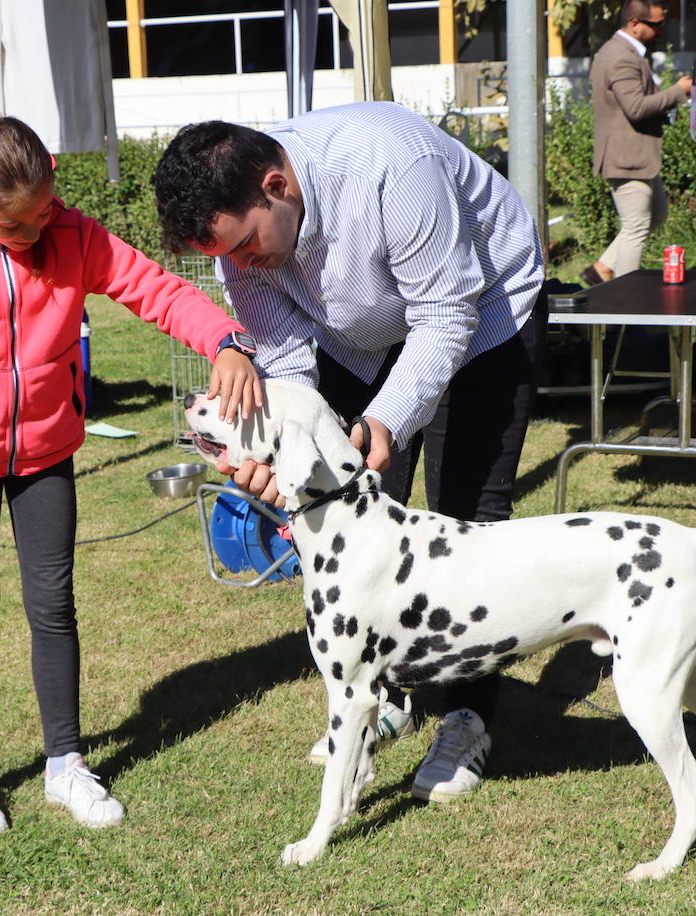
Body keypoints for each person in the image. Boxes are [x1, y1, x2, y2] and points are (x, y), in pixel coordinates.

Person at [0, 116, 262, 839]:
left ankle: (65, 763)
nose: (38, 230)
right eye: (19, 225)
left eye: (46, 210)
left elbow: (158, 291)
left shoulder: (77, 237)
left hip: (47, 452)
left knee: (53, 604)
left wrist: (226, 340)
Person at [153, 101, 546, 803]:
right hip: (361, 336)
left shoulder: (391, 163)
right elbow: (284, 365)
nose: (240, 266)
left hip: (480, 310)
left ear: (275, 186)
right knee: (359, 523)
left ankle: (467, 716)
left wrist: (386, 421)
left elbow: (443, 316)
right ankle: (381, 695)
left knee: (467, 517)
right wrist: (281, 457)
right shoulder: (243, 242)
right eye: (225, 258)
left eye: (245, 247)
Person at [584, 0, 696, 285]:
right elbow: (635, 107)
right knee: (635, 227)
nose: (661, 30)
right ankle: (626, 301)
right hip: (627, 158)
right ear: (635, 24)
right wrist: (678, 91)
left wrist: (673, 98)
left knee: (656, 215)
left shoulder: (630, 53)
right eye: (657, 24)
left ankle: (601, 269)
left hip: (638, 156)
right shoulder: (620, 56)